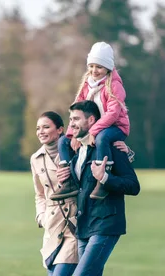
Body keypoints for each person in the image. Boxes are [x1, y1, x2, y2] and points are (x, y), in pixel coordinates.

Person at [30, 111, 130, 276]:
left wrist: (126, 152)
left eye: (46, 127)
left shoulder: (74, 150)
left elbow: (101, 155)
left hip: (76, 224)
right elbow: (39, 194)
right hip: (52, 227)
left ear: (60, 130)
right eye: (38, 128)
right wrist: (40, 216)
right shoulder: (36, 158)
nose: (41, 132)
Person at [56, 100, 140, 276]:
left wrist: (105, 178)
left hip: (106, 223)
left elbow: (133, 185)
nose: (71, 125)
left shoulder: (111, 148)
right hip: (85, 225)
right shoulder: (78, 151)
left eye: (76, 120)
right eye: (70, 120)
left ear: (92, 121)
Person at [51, 41, 133, 202]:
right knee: (63, 142)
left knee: (102, 138)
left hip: (115, 127)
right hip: (91, 126)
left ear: (108, 68)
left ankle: (102, 179)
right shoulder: (86, 85)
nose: (94, 71)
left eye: (99, 67)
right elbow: (76, 111)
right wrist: (72, 134)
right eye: (92, 66)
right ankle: (68, 180)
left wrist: (94, 131)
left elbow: (113, 113)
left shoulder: (114, 86)